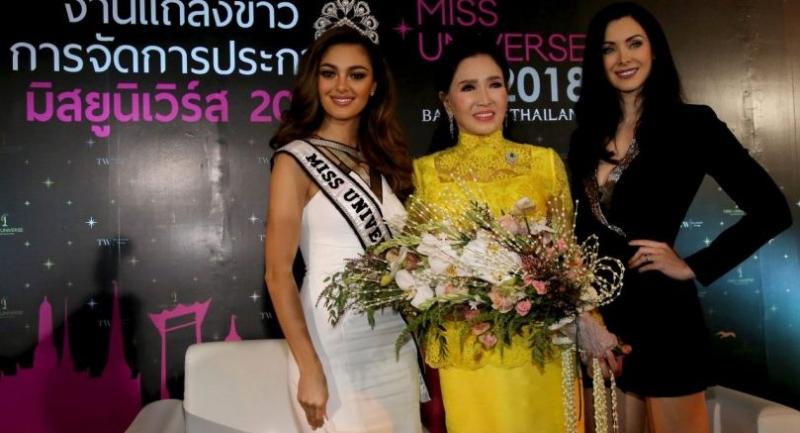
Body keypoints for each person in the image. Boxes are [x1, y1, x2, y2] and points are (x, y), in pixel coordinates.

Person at [568, 3, 793, 432]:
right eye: (609, 49)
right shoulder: (585, 138)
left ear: (655, 50)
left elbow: (772, 210)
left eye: (634, 43)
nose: (623, 58)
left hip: (664, 317)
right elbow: (579, 234)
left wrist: (693, 265)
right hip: (603, 323)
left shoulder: (692, 125)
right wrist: (584, 314)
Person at [413, 35, 617, 433]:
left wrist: (591, 324)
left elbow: (568, 258)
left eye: (494, 84)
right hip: (468, 354)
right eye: (468, 87)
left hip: (542, 349)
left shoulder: (544, 165)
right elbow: (421, 267)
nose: (484, 99)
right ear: (446, 101)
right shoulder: (426, 174)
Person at [264, 13, 422, 433]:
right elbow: (277, 274)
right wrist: (309, 366)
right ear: (314, 81)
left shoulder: (385, 161)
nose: (341, 86)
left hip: (392, 340)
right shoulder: (295, 160)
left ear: (374, 87)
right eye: (329, 73)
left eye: (356, 75)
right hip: (331, 342)